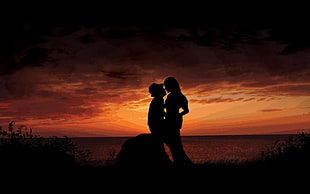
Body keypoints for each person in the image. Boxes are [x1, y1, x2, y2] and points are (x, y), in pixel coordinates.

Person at [163, 76, 193, 166]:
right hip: (170, 120)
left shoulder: (178, 96)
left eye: (167, 85)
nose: (166, 87)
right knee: (175, 144)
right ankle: (182, 163)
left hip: (173, 122)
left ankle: (182, 163)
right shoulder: (174, 95)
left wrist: (177, 115)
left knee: (175, 144)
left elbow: (186, 110)